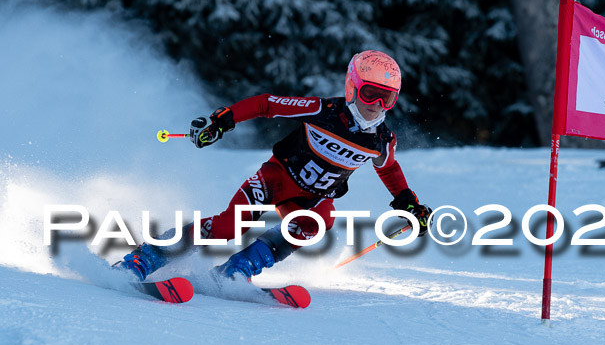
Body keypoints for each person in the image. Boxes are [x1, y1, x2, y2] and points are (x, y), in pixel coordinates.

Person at [117, 50, 432, 282]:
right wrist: (222, 121)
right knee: (229, 226)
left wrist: (409, 204)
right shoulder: (323, 111)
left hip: (310, 199)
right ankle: (146, 257)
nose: (375, 106)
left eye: (386, 99)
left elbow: (388, 169)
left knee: (319, 220)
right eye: (369, 94)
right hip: (276, 179)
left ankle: (236, 270)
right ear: (351, 87)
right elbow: (267, 104)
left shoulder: (381, 140)